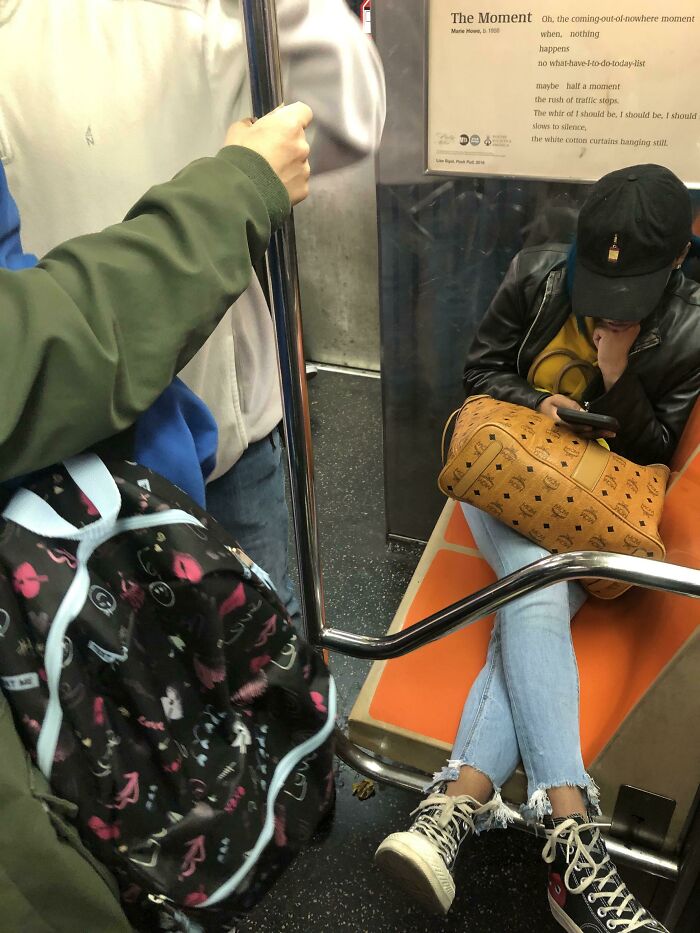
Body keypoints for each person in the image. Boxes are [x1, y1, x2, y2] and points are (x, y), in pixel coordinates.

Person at [0, 103, 311, 932]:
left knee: (175, 707)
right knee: (182, 704)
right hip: (98, 448)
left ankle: (239, 827)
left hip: (117, 437)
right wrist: (230, 193)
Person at [376, 164, 700, 933]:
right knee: (538, 579)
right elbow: (480, 373)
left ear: (678, 261)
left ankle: (451, 811)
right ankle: (572, 833)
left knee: (534, 588)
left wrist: (617, 376)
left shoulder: (691, 327)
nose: (605, 312)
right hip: (503, 476)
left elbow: (658, 449)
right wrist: (538, 402)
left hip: (598, 506)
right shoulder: (536, 274)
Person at [0, 0, 386, 621]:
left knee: (256, 654)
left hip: (218, 440)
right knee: (119, 676)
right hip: (60, 462)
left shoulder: (211, 16)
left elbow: (344, 116)